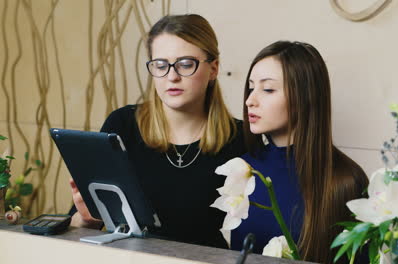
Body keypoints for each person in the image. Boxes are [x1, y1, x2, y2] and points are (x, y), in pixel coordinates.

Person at [69, 14, 245, 249]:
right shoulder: (123, 125)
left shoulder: (241, 138)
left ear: (213, 69)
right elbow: (77, 226)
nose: (172, 76)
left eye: (185, 64)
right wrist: (86, 218)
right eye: (161, 65)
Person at [230, 41, 369, 263]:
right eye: (251, 87)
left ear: (304, 97)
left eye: (267, 89)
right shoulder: (242, 170)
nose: (250, 100)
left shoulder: (345, 180)